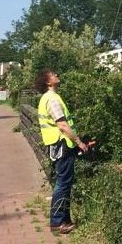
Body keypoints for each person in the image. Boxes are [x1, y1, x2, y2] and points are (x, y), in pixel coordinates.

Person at [35, 68, 88, 234]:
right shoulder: (52, 99)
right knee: (63, 183)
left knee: (64, 182)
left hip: (57, 145)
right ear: (48, 82)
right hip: (62, 144)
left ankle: (64, 220)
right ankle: (58, 222)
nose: (57, 75)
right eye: (53, 75)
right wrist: (79, 142)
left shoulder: (48, 98)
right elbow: (63, 125)